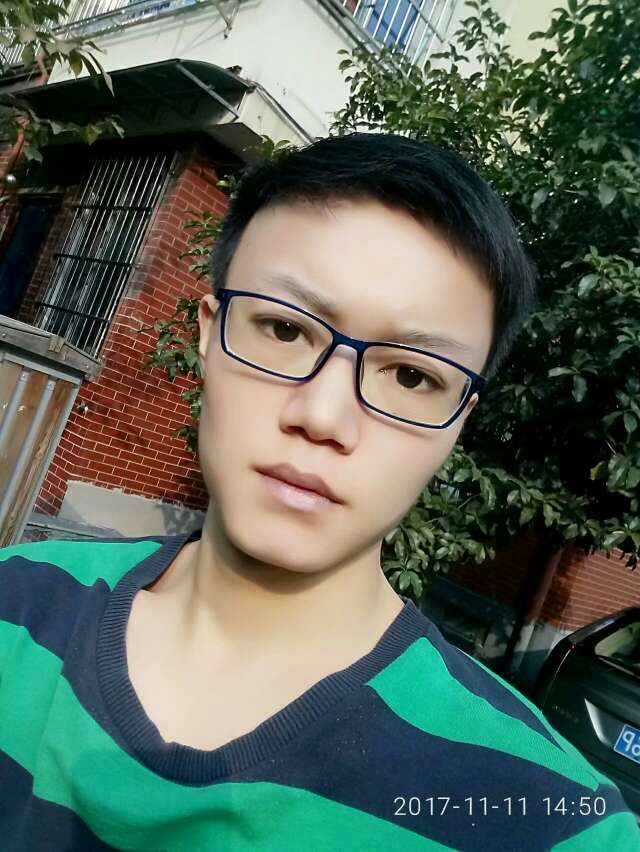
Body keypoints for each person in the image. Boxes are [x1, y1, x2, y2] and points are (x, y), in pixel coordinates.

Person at [1, 132, 638, 851]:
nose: (323, 416)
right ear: (209, 333)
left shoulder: (552, 820)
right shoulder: (14, 604)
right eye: (283, 329)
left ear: (460, 419)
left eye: (412, 375)